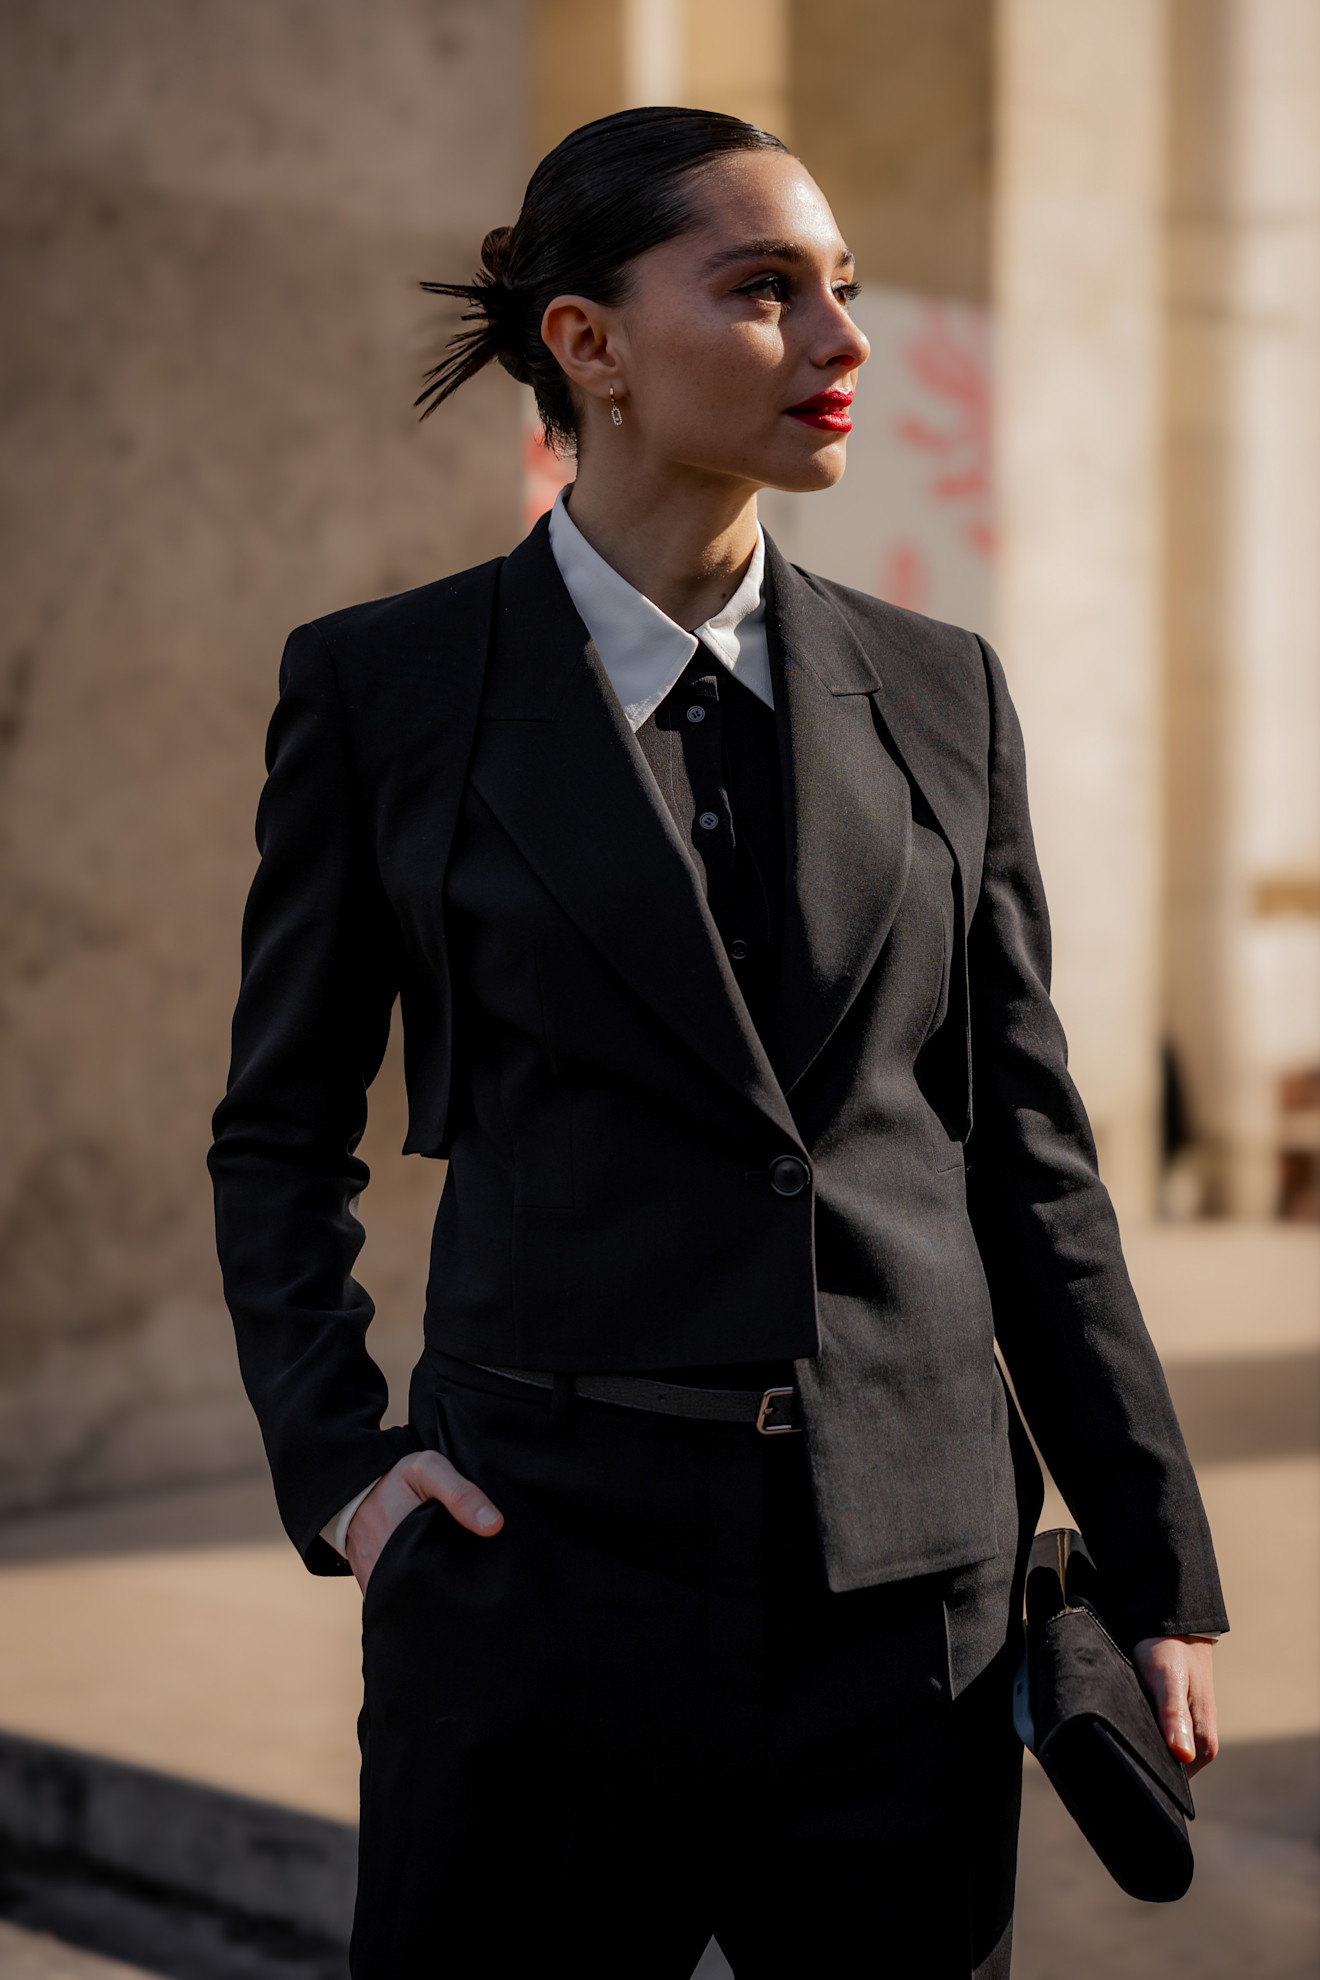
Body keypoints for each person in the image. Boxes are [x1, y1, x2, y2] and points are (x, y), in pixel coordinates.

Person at [209, 106, 1226, 1979]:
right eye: (763, 292)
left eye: (840, 289)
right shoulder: (387, 689)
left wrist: (1155, 1563)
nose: (841, 340)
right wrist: (342, 1470)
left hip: (912, 1604)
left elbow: (1029, 1155)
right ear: (585, 343)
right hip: (538, 1569)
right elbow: (279, 1135)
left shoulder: (943, 689)